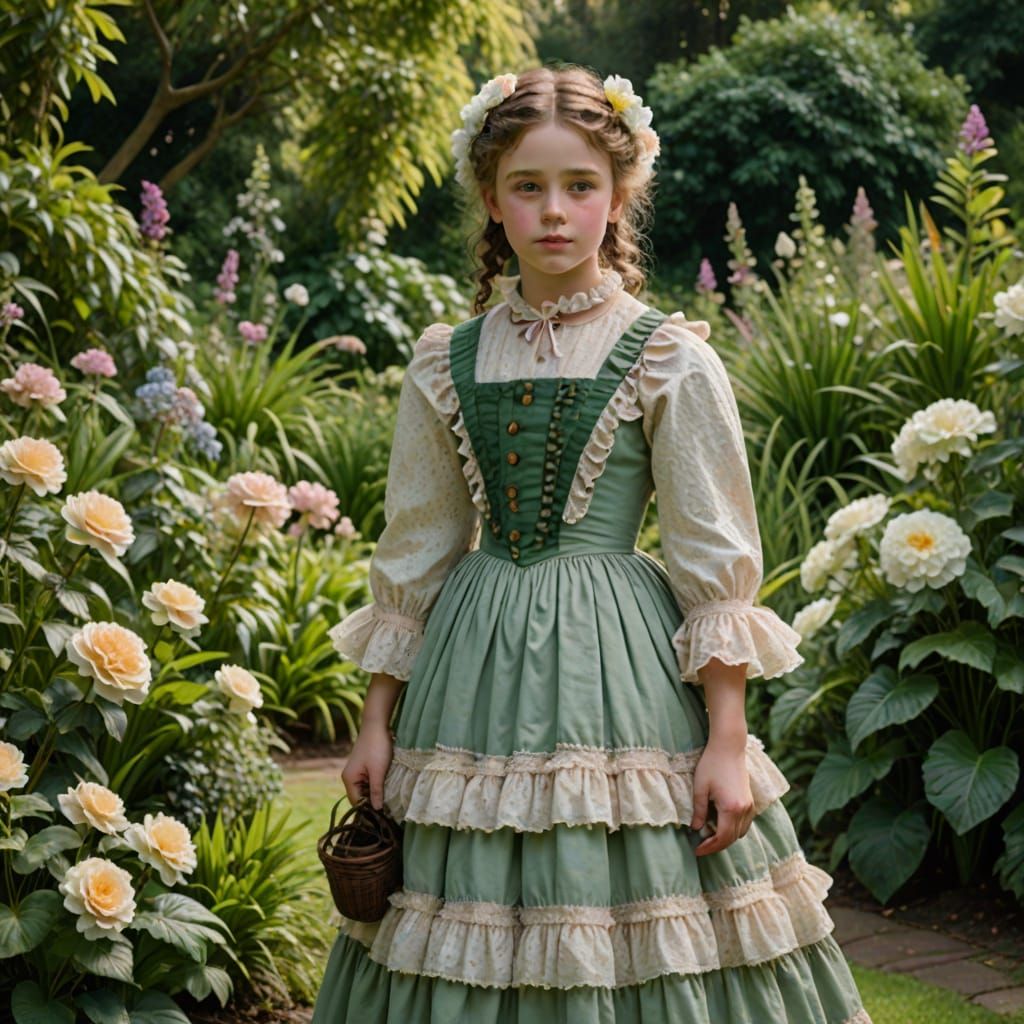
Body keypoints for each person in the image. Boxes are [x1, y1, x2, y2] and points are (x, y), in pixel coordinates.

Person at [312, 63, 872, 1024]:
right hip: (470, 673)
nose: (553, 210)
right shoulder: (446, 358)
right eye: (527, 186)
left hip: (623, 670)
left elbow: (711, 556)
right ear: (492, 200)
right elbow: (417, 548)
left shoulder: (668, 353)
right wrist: (376, 720)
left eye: (580, 185)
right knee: (461, 908)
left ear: (618, 197)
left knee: (638, 900)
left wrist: (726, 740)